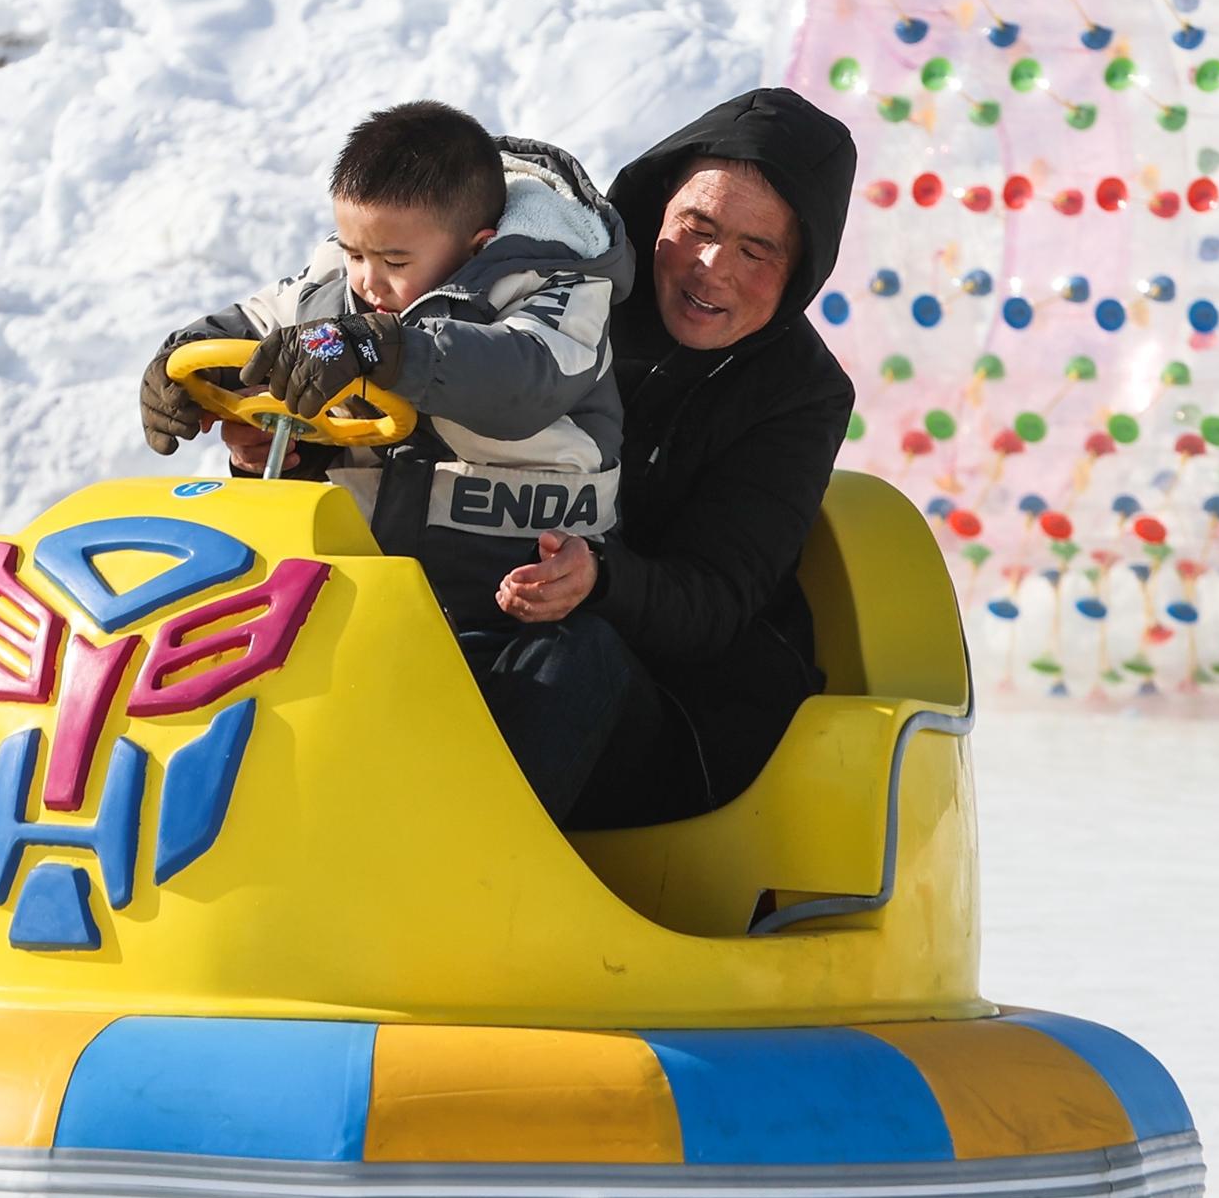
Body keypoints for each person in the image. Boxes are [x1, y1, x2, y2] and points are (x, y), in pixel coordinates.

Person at [136, 101, 630, 813]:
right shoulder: (337, 288)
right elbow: (252, 324)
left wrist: (384, 348)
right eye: (355, 253)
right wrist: (177, 364)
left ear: (475, 244)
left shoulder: (557, 293)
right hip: (369, 604)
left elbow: (523, 377)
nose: (367, 282)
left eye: (395, 261)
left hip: (508, 609)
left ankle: (489, 864)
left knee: (575, 667)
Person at [482, 87, 858, 828]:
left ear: (800, 268)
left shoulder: (800, 393)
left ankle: (459, 903)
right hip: (487, 617)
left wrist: (600, 578)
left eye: (757, 250)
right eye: (698, 226)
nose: (711, 267)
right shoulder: (558, 295)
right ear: (659, 211)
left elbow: (715, 600)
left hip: (665, 707)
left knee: (571, 655)